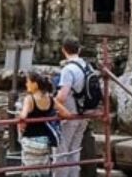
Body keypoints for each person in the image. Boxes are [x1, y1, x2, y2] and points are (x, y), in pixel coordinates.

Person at [53, 37, 88, 177]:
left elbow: (62, 96)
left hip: (69, 113)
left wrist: (52, 102)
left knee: (62, 150)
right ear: (79, 49)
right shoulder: (86, 66)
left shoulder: (68, 69)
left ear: (63, 50)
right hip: (85, 112)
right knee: (75, 149)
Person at [19, 71, 57, 177]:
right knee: (43, 170)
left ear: (35, 84)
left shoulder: (29, 99)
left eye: (28, 82)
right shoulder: (50, 98)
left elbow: (23, 117)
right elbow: (65, 113)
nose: (26, 84)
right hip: (45, 140)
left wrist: (21, 125)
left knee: (30, 170)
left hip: (30, 139)